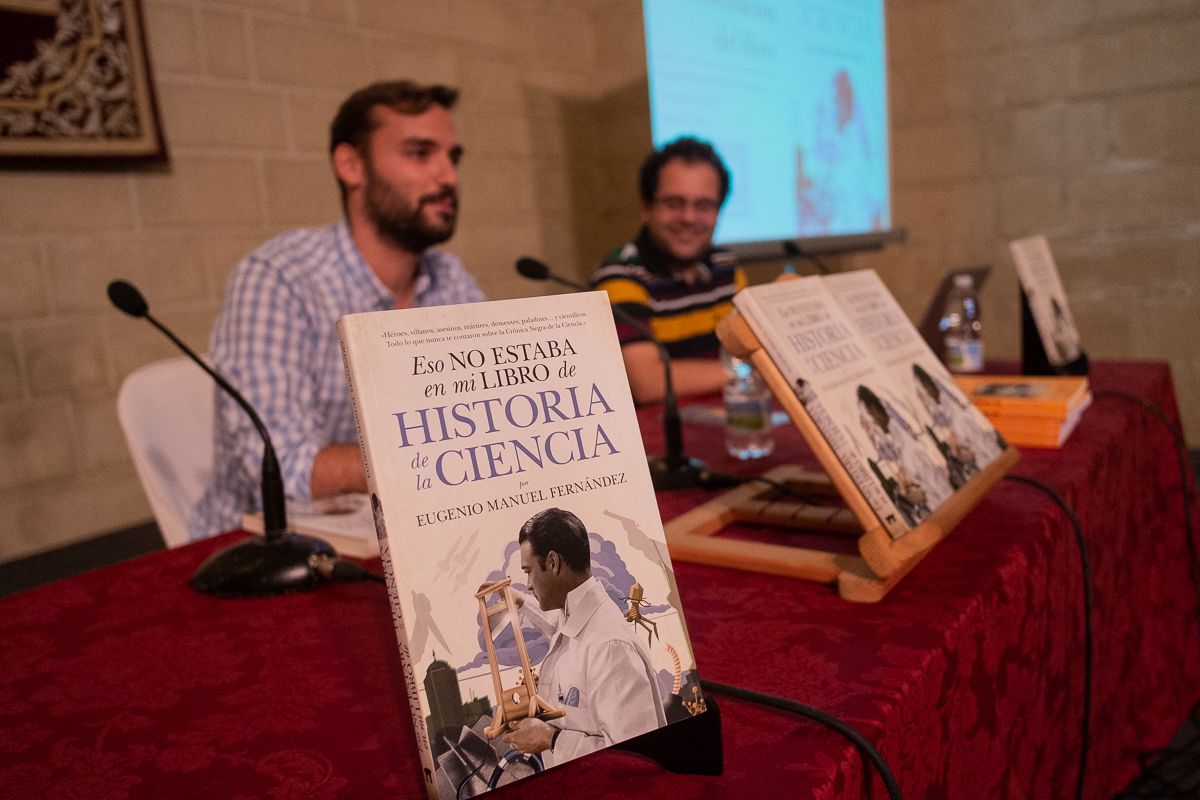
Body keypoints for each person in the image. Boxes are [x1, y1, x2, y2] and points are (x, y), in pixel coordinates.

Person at [188, 80, 484, 539]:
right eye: (420, 153)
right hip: (263, 555)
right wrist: (437, 457)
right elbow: (284, 470)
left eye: (453, 158)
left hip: (400, 531)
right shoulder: (279, 278)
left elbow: (490, 419)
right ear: (350, 165)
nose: (448, 177)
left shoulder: (450, 278)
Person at [500, 508, 665, 767]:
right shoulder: (579, 616)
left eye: (529, 571)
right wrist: (520, 601)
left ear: (553, 562)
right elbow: (560, 628)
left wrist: (551, 739)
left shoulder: (610, 647)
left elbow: (635, 758)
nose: (528, 584)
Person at [589, 137, 746, 404]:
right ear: (646, 209)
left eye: (704, 205)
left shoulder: (726, 267)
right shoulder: (619, 276)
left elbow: (753, 346)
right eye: (674, 203)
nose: (689, 218)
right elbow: (648, 383)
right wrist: (746, 370)